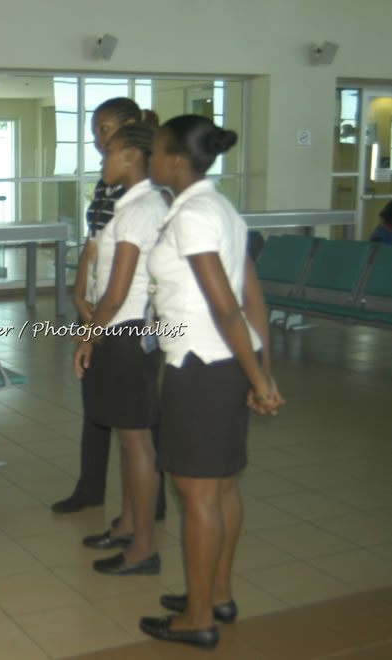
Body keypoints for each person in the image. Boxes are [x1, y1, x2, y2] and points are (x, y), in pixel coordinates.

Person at [138, 115, 283, 649]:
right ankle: (216, 592)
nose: (151, 159)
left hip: (201, 365)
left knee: (195, 493)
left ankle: (197, 618)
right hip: (228, 360)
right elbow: (253, 301)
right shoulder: (221, 208)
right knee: (221, 486)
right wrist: (259, 368)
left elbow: (225, 306)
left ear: (176, 160)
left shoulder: (193, 216)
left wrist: (259, 380)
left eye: (155, 151)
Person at [53, 97, 167, 522]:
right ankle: (96, 491)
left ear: (130, 136)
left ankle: (146, 510)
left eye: (107, 131)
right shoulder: (107, 184)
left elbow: (125, 280)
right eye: (96, 130)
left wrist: (93, 325)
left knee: (138, 422)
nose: (99, 141)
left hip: (130, 319)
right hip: (107, 312)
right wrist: (80, 291)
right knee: (104, 408)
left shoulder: (144, 191)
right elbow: (94, 243)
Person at [74, 120, 165, 576]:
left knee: (136, 443)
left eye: (108, 152)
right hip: (122, 330)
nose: (102, 159)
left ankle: (143, 549)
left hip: (125, 331)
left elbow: (116, 289)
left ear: (131, 156)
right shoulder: (134, 205)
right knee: (130, 444)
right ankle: (128, 525)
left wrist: (88, 335)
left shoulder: (138, 210)